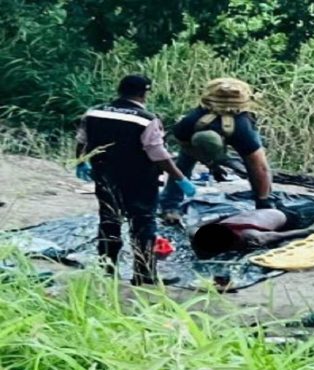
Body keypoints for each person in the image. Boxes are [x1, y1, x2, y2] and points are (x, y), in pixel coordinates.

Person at [75, 75, 196, 285]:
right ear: (144, 93)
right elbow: (157, 153)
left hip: (104, 175)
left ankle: (107, 270)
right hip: (139, 178)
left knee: (109, 220)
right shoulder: (146, 119)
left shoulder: (94, 112)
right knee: (142, 222)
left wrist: (81, 162)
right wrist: (180, 178)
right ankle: (144, 273)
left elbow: (82, 141)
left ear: (119, 90)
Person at [160, 78, 272, 222]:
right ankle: (170, 205)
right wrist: (211, 164)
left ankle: (262, 199)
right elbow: (185, 145)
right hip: (196, 140)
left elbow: (260, 168)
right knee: (184, 163)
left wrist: (263, 201)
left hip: (237, 130)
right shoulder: (190, 123)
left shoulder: (242, 129)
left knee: (254, 167)